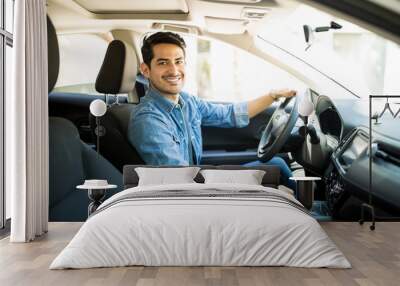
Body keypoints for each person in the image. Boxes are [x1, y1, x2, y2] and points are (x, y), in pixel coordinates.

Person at [128, 32, 296, 189]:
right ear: (145, 70)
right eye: (163, 62)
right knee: (277, 167)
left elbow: (230, 114)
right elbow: (179, 178)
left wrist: (272, 96)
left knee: (276, 165)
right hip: (190, 193)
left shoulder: (187, 102)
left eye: (178, 61)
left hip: (196, 182)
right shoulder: (148, 119)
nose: (174, 70)